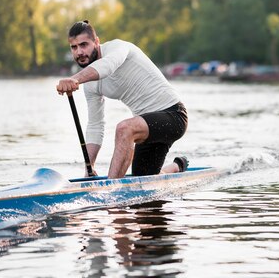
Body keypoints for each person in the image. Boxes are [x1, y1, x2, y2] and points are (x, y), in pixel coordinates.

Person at [56, 20, 188, 178]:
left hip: (174, 116)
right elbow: (95, 126)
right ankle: (176, 167)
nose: (79, 52)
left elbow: (107, 67)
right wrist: (89, 167)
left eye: (84, 45)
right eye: (74, 47)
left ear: (96, 42)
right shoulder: (90, 84)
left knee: (124, 129)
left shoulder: (117, 48)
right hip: (146, 125)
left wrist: (74, 79)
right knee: (144, 179)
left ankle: (111, 191)